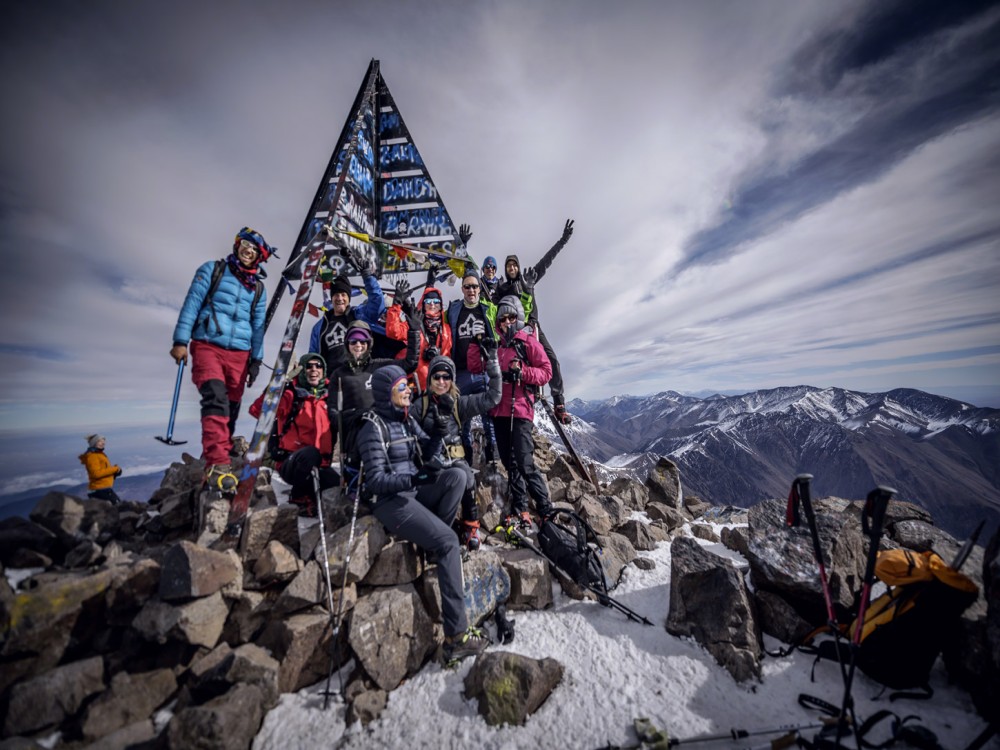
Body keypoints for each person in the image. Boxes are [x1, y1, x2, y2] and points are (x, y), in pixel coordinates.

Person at [357, 364, 490, 664]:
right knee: (447, 541)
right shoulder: (372, 428)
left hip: (413, 493)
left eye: (406, 386)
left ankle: (434, 547)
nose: (408, 391)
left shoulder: (404, 420)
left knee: (456, 476)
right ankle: (456, 637)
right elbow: (375, 481)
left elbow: (426, 451)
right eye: (401, 387)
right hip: (391, 501)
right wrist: (413, 480)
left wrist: (436, 436)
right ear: (385, 392)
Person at [171, 226, 275, 490]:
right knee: (214, 398)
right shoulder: (212, 270)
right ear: (237, 245)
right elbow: (193, 302)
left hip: (240, 353)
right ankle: (218, 462)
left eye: (254, 249)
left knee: (231, 406)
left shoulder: (258, 289)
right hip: (207, 344)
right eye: (245, 245)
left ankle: (217, 454)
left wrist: (256, 359)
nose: (248, 251)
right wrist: (181, 341)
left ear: (259, 256)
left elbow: (258, 325)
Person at [469, 295, 553, 533]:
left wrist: (523, 372)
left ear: (518, 317)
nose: (506, 321)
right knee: (509, 461)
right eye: (502, 318)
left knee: (525, 462)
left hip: (521, 410)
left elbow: (546, 371)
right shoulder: (498, 347)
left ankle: (546, 508)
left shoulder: (526, 342)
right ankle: (520, 506)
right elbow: (476, 366)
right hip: (499, 411)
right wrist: (477, 343)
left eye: (511, 316)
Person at [418, 349, 501, 551]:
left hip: (455, 460)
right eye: (436, 376)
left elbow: (492, 398)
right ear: (430, 379)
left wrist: (495, 372)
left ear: (452, 380)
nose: (441, 381)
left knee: (467, 477)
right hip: (429, 460)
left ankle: (470, 525)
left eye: (446, 377)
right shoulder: (419, 406)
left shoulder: (459, 404)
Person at [495, 219, 574, 423]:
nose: (511, 268)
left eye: (514, 264)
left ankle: (559, 403)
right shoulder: (502, 289)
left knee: (552, 360)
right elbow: (488, 302)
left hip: (534, 327)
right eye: (508, 265)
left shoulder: (527, 279)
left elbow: (547, 260)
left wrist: (563, 240)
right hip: (515, 332)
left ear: (518, 267)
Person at [327, 319, 419, 490]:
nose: (358, 345)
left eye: (363, 341)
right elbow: (332, 414)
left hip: (383, 433)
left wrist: (413, 333)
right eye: (354, 341)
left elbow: (409, 364)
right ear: (347, 344)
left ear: (369, 344)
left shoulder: (379, 366)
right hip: (355, 437)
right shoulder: (339, 375)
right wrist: (356, 416)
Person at [249, 352, 337, 517]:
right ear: (301, 370)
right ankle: (299, 499)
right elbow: (259, 411)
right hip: (292, 463)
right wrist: (280, 383)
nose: (313, 370)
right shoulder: (291, 394)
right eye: (308, 366)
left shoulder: (329, 397)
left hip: (320, 466)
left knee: (337, 485)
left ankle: (314, 499)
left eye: (318, 366)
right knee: (310, 453)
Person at [446, 268, 500, 464]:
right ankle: (466, 456)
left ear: (480, 289)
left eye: (475, 286)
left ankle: (493, 456)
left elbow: (507, 323)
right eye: (468, 286)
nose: (471, 290)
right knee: (462, 417)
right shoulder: (453, 310)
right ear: (462, 289)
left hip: (483, 370)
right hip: (460, 372)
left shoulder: (489, 309)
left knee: (490, 413)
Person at [308, 248, 386, 374]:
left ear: (349, 298)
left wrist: (367, 276)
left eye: (343, 295)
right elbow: (313, 356)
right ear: (332, 298)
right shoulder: (319, 327)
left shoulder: (359, 315)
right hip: (332, 382)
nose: (340, 298)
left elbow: (378, 303)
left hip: (361, 376)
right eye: (336, 295)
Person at [384, 280, 452, 392]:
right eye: (428, 301)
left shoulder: (446, 330)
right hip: (414, 386)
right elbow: (392, 331)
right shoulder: (414, 324)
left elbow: (447, 357)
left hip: (438, 385)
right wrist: (396, 304)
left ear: (441, 306)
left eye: (436, 301)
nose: (432, 304)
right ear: (423, 304)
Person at [79, 434, 123, 504]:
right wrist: (114, 469)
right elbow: (96, 474)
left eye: (103, 441)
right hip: (100, 489)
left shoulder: (99, 454)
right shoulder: (92, 456)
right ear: (94, 443)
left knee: (114, 510)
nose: (103, 443)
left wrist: (115, 472)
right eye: (99, 441)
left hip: (102, 489)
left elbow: (103, 472)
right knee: (119, 508)